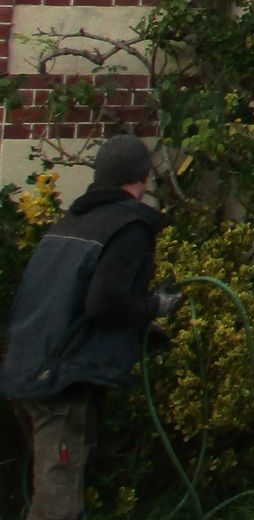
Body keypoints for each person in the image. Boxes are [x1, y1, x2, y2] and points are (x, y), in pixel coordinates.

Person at [1, 136, 176, 520]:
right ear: (143, 177)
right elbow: (104, 304)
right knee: (57, 503)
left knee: (57, 488)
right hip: (60, 380)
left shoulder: (73, 221)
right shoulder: (127, 226)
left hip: (29, 366)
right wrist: (153, 306)